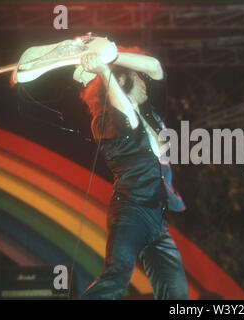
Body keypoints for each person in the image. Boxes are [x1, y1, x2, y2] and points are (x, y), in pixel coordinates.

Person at [78, 45, 189, 300]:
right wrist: (105, 72)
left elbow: (156, 67)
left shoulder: (151, 113)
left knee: (176, 295)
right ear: (123, 80)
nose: (144, 80)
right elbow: (127, 117)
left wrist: (110, 55)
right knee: (116, 278)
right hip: (131, 211)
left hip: (157, 219)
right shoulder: (104, 122)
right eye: (136, 77)